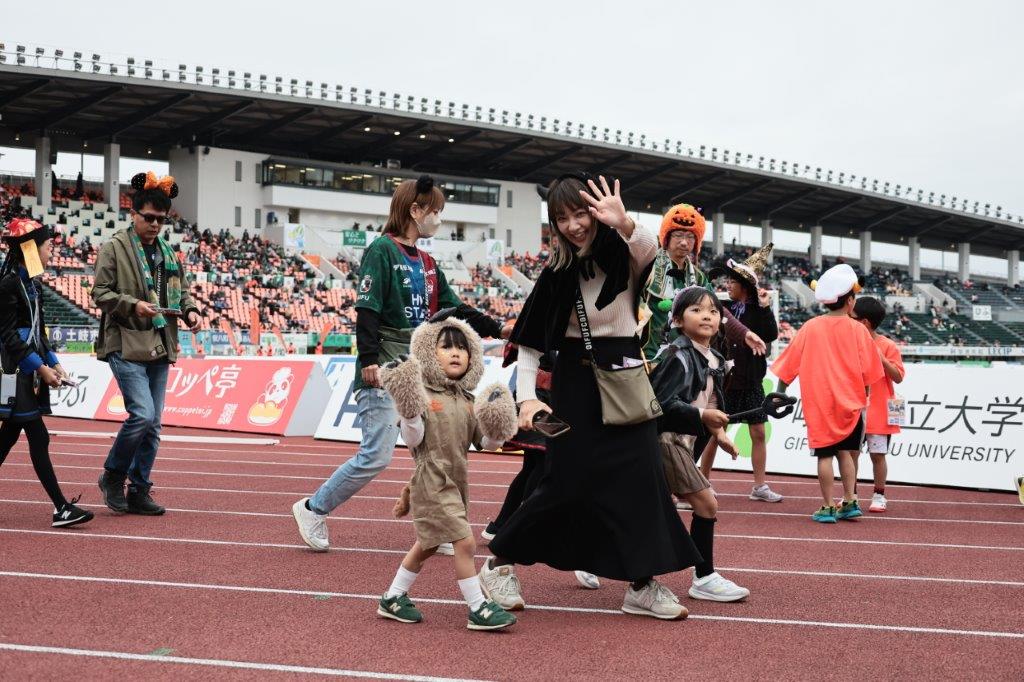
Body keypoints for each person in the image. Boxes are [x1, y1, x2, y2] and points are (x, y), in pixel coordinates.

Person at [481, 174, 700, 621]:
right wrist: (527, 399)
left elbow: (652, 253)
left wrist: (625, 222)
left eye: (580, 214)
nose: (573, 225)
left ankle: (641, 584)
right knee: (565, 480)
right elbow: (530, 343)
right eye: (562, 218)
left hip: (627, 375)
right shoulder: (556, 272)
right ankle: (499, 563)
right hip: (575, 382)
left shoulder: (625, 251)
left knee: (643, 479)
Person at [291, 175, 508, 551]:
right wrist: (368, 360)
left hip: (421, 371)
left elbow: (456, 309)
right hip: (386, 368)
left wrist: (499, 328)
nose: (438, 218)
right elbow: (367, 308)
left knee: (437, 453)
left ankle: (440, 526)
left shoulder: (428, 262)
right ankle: (313, 508)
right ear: (415, 210)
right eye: (435, 211)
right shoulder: (381, 250)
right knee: (376, 456)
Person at [377, 312, 518, 630]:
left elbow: (487, 443)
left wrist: (498, 422)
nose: (456, 353)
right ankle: (478, 607)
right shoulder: (423, 396)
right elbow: (413, 440)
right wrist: (410, 411)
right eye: (446, 346)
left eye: (462, 347)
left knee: (427, 545)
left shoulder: (468, 401)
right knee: (465, 542)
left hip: (456, 479)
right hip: (431, 479)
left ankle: (392, 596)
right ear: (428, 352)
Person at [93, 172, 202, 516]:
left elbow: (184, 293)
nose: (155, 225)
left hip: (160, 342)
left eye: (161, 219)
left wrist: (191, 311)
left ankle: (139, 490)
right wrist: (132, 304)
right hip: (124, 342)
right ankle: (113, 475)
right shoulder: (113, 247)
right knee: (142, 414)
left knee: (153, 425)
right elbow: (100, 293)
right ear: (134, 214)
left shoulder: (169, 253)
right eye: (149, 218)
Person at [649, 286, 750, 601]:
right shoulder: (675, 356)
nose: (707, 316)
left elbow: (711, 402)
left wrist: (721, 436)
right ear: (678, 320)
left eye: (713, 311)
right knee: (706, 503)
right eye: (696, 310)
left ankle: (593, 555)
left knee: (647, 508)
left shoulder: (716, 358)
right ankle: (704, 577)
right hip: (666, 441)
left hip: (686, 442)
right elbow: (660, 405)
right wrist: (702, 415)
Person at [771, 264, 883, 523]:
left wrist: (779, 393)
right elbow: (869, 371)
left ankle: (828, 506)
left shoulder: (810, 327)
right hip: (851, 404)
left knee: (824, 456)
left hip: (820, 405)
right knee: (847, 453)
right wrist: (864, 396)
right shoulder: (858, 330)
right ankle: (851, 500)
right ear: (851, 301)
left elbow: (788, 365)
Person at [0, 218, 92, 527]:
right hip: (15, 373)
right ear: (30, 248)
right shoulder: (8, 284)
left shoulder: (34, 285)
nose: (51, 250)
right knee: (38, 436)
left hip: (28, 372)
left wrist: (55, 363)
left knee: (8, 437)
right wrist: (40, 367)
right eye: (47, 245)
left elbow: (39, 334)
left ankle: (62, 508)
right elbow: (9, 338)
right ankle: (61, 508)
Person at [703, 244, 782, 502]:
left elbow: (771, 334)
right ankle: (702, 482)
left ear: (745, 286)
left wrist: (765, 307)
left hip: (751, 382)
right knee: (715, 433)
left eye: (733, 282)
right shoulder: (721, 307)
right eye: (727, 281)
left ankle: (760, 487)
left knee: (758, 433)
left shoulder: (758, 310)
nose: (728, 285)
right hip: (725, 382)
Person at [638, 203, 765, 362]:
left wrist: (744, 333)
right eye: (678, 235)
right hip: (649, 357)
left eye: (690, 237)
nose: (684, 242)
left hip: (685, 358)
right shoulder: (648, 266)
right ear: (667, 237)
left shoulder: (698, 277)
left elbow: (716, 309)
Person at [851, 296, 905, 513]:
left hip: (879, 411)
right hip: (853, 409)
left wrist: (881, 358)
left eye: (852, 317)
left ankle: (879, 495)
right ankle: (850, 496)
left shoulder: (888, 345)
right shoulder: (849, 342)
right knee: (851, 455)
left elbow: (898, 377)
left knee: (877, 455)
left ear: (864, 322)